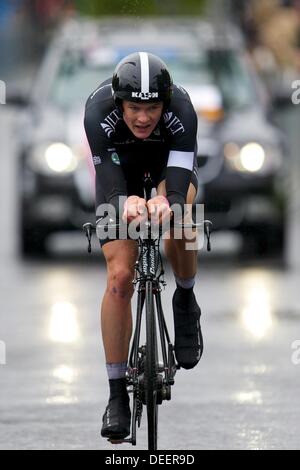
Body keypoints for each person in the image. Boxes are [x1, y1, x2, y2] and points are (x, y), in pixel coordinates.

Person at [84, 52, 203, 441]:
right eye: (134, 107)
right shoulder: (97, 110)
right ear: (119, 102)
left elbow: (180, 175)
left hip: (169, 167)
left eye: (152, 108)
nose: (142, 117)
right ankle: (116, 394)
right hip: (119, 171)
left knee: (183, 222)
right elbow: (106, 174)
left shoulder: (183, 111)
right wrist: (125, 202)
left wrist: (167, 202)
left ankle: (185, 300)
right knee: (119, 276)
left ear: (165, 103)